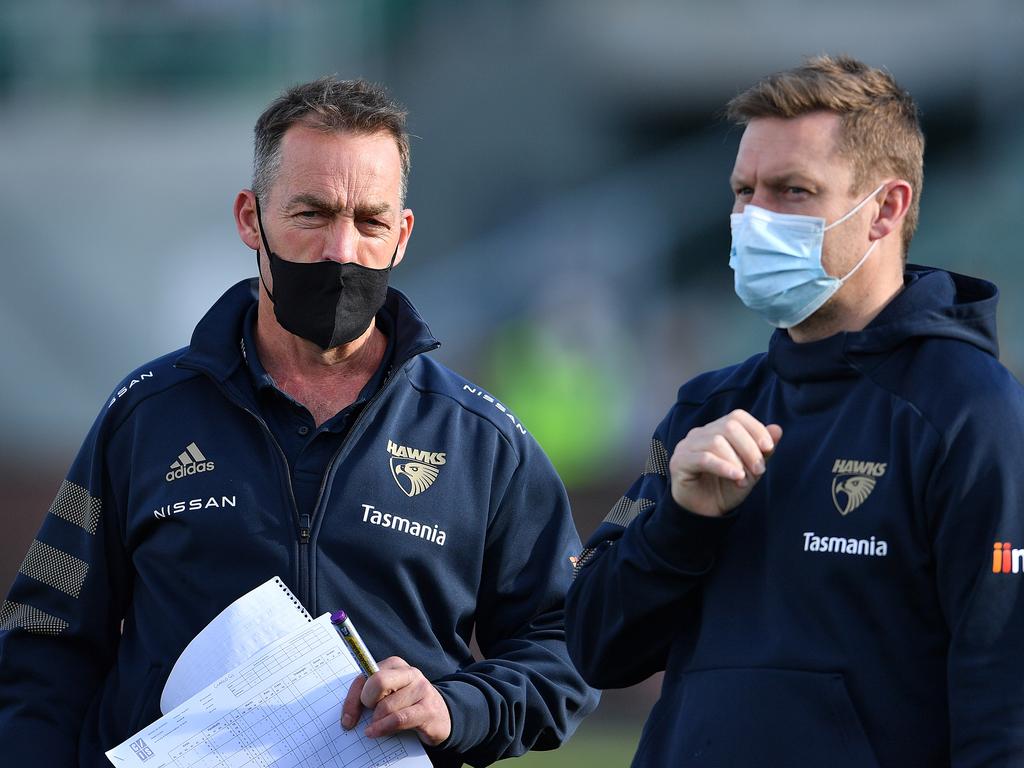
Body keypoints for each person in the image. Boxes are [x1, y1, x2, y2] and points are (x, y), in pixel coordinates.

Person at [0, 76, 598, 767]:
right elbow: (44, 635)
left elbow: (568, 643)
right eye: (311, 214)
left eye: (369, 220)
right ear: (251, 219)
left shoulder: (479, 441)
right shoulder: (145, 414)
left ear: (401, 236)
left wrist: (457, 707)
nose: (341, 250)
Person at [565, 55, 1024, 767]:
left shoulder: (971, 411)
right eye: (743, 191)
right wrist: (679, 524)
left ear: (886, 208)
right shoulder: (706, 406)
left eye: (792, 191)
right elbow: (596, 645)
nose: (754, 220)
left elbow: (1006, 695)